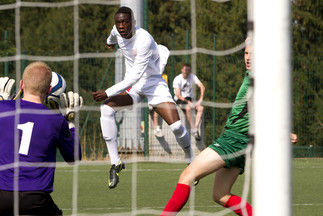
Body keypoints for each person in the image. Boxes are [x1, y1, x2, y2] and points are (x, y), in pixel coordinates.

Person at [92, 6, 194, 189]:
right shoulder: (116, 31)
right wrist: (110, 42)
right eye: (118, 22)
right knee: (106, 109)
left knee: (177, 127)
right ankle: (115, 163)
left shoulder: (144, 40)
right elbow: (111, 36)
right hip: (133, 86)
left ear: (134, 22)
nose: (121, 26)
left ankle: (191, 161)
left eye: (125, 22)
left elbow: (134, 76)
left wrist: (107, 92)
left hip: (153, 82)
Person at [161, 38, 253, 216]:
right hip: (240, 143)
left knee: (187, 176)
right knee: (221, 195)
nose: (248, 58)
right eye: (246, 53)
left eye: (253, 54)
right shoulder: (252, 74)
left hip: (233, 140)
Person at [0, 62, 82, 215]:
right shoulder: (56, 121)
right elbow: (74, 158)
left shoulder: (3, 108)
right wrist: (70, 122)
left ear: (21, 84)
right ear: (50, 90)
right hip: (35, 197)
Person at [173, 63, 205, 141]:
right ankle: (193, 127)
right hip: (181, 99)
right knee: (188, 108)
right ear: (182, 70)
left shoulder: (192, 76)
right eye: (185, 69)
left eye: (188, 70)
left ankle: (195, 129)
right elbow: (178, 95)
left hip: (190, 99)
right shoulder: (177, 79)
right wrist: (188, 102)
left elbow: (202, 86)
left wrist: (200, 99)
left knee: (201, 108)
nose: (186, 71)